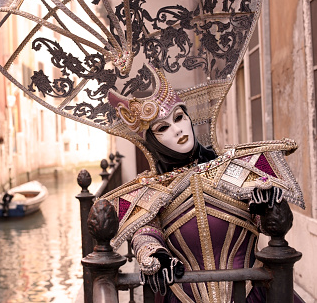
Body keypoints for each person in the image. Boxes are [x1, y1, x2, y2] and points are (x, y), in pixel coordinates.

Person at [102, 64, 305, 302]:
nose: (178, 130)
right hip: (184, 296)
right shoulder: (152, 188)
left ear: (189, 117)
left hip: (250, 292)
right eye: (163, 128)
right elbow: (146, 232)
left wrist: (267, 207)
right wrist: (155, 255)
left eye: (179, 117)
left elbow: (265, 224)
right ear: (152, 141)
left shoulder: (234, 166)